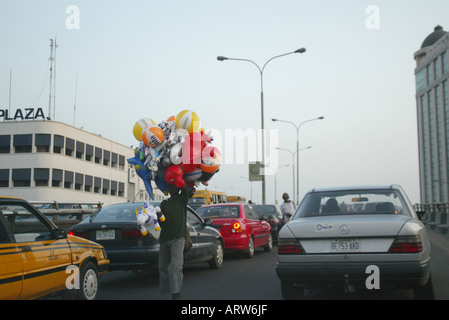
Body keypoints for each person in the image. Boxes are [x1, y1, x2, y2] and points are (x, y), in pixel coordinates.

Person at [157, 166, 190, 300]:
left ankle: (176, 293)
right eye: (169, 185)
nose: (171, 188)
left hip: (178, 237)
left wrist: (177, 176)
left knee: (175, 266)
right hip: (165, 238)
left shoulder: (182, 200)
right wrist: (159, 216)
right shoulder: (164, 203)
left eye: (173, 185)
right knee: (163, 267)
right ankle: (170, 291)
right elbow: (162, 223)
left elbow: (185, 189)